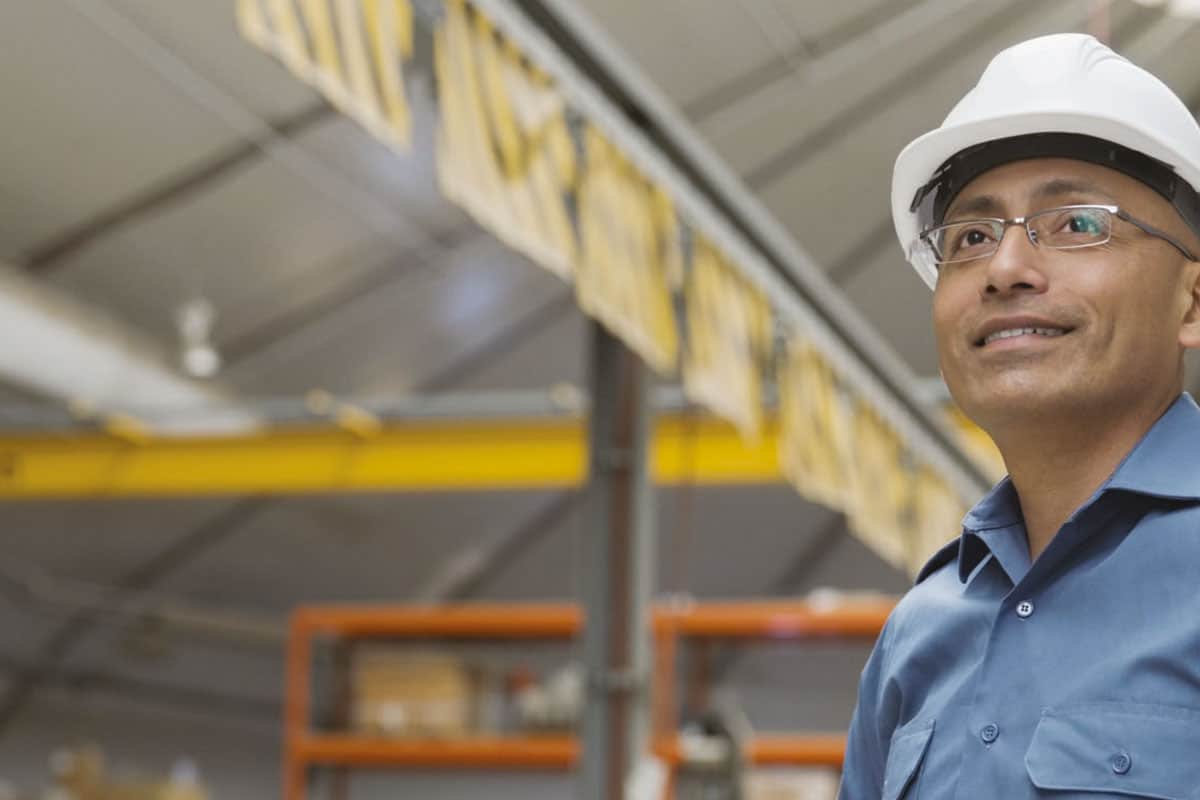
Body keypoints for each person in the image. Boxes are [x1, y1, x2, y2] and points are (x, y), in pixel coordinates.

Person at [839, 33, 1200, 798]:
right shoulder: (919, 632)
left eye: (1077, 224)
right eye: (970, 237)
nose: (1004, 269)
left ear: (1192, 301)